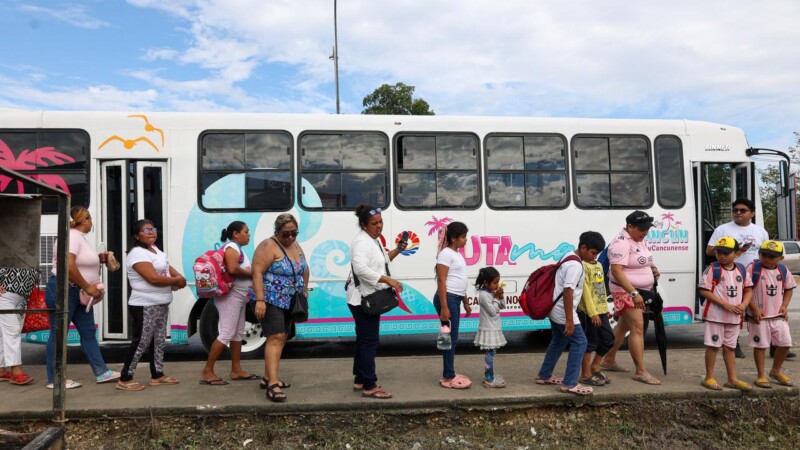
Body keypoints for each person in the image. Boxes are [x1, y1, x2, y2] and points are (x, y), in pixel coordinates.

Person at [44, 206, 120, 389]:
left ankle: (101, 372)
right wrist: (88, 287)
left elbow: (79, 262)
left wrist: (99, 259)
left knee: (88, 333)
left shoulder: (79, 238)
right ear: (85, 220)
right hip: (65, 290)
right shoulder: (71, 237)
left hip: (79, 293)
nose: (92, 223)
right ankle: (55, 379)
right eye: (90, 219)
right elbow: (68, 266)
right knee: (58, 335)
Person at [117, 219, 187, 391]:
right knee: (142, 341)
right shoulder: (137, 253)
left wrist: (179, 278)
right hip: (145, 304)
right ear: (136, 235)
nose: (151, 233)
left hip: (161, 303)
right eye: (146, 230)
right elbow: (153, 278)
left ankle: (157, 374)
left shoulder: (155, 249)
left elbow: (167, 268)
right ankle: (125, 378)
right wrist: (176, 280)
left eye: (153, 229)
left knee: (159, 340)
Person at [345, 205, 405, 399]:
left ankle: (360, 379)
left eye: (380, 222)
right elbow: (360, 269)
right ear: (364, 225)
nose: (379, 226)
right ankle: (369, 385)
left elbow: (383, 261)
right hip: (362, 300)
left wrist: (398, 249)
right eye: (374, 223)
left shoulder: (373, 240)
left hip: (366, 297)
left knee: (363, 341)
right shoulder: (361, 242)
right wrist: (389, 280)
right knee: (369, 342)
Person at [536, 231, 604, 396]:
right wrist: (569, 320)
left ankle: (544, 375)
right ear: (583, 247)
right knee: (580, 342)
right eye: (593, 253)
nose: (595, 257)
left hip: (555, 309)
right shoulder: (575, 266)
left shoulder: (569, 256)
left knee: (559, 340)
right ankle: (570, 383)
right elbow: (568, 291)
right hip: (563, 311)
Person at [250, 214, 310, 402]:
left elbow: (304, 267)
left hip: (290, 300)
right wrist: (260, 300)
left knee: (282, 337)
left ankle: (268, 377)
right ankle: (273, 385)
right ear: (277, 231)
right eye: (286, 234)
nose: (290, 237)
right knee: (275, 337)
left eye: (294, 233)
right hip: (270, 299)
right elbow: (256, 272)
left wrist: (304, 289)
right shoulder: (268, 246)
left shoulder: (295, 245)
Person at [600, 210, 662, 385]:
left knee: (623, 326)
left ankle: (608, 359)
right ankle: (640, 371)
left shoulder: (639, 240)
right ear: (630, 226)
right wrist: (633, 293)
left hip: (641, 290)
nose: (645, 232)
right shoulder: (620, 243)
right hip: (625, 290)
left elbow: (643, 259)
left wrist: (653, 269)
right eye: (641, 229)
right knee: (637, 327)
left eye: (647, 229)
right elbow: (617, 271)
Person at [705, 198, 770, 359]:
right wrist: (734, 250)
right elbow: (709, 250)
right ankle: (734, 344)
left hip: (756, 275)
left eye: (743, 210)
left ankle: (773, 343)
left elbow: (767, 253)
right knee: (735, 309)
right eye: (735, 210)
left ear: (752, 213)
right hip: (732, 275)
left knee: (765, 309)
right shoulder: (723, 229)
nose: (738, 213)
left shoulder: (761, 231)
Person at [200, 221, 255, 385]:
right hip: (231, 297)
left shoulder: (237, 248)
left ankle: (236, 370)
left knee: (237, 333)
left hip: (239, 297)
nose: (249, 235)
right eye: (246, 231)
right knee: (226, 333)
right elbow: (233, 269)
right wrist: (254, 273)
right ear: (236, 234)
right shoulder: (232, 247)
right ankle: (208, 370)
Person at [698, 237, 753, 391]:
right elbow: (704, 290)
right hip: (715, 316)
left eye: (726, 253)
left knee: (730, 348)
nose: (721, 256)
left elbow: (748, 289)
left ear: (737, 254)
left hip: (734, 317)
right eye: (719, 252)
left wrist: (744, 305)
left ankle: (732, 379)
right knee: (713, 346)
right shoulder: (712, 269)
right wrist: (724, 304)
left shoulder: (741, 270)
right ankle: (709, 377)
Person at [746, 240, 795, 388]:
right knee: (761, 346)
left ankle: (775, 371)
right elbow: (746, 290)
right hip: (759, 317)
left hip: (777, 315)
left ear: (780, 258)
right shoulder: (752, 268)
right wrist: (754, 308)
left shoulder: (783, 270)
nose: (767, 258)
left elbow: (789, 288)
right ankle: (761, 375)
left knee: (785, 344)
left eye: (771, 256)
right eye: (764, 255)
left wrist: (784, 306)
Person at [434, 221, 472, 389]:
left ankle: (448, 372)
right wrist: (444, 307)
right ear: (453, 238)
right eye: (463, 237)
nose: (466, 239)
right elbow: (442, 280)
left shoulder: (456, 254)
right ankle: (448, 376)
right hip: (447, 299)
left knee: (448, 337)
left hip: (454, 299)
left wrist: (465, 301)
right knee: (451, 338)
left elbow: (458, 280)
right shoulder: (446, 254)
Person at [577, 253, 615, 387]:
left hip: (601, 310)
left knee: (608, 338)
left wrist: (604, 308)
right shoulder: (582, 266)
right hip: (589, 312)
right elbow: (585, 291)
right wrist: (592, 313)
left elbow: (601, 288)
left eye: (597, 253)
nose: (594, 256)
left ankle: (595, 367)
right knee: (590, 342)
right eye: (592, 252)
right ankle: (585, 374)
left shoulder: (598, 264)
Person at [472, 267, 507, 388]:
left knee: (491, 352)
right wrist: (496, 298)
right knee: (489, 354)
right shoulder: (483, 295)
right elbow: (492, 311)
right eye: (495, 282)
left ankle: (489, 376)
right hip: (488, 328)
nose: (497, 285)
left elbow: (502, 306)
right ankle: (489, 379)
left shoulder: (492, 292)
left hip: (494, 327)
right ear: (486, 282)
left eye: (498, 282)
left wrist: (501, 296)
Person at [0, 284, 33, 385]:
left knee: (3, 333)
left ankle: (1, 370)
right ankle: (16, 371)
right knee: (13, 332)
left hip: (22, 296)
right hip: (5, 294)